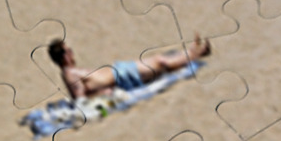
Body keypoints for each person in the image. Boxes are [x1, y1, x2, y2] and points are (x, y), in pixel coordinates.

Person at [48, 35, 212, 100]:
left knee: (159, 62)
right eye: (69, 50)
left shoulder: (70, 72)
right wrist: (103, 93)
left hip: (122, 72)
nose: (72, 52)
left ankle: (192, 52)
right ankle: (198, 53)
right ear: (64, 56)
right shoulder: (69, 73)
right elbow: (80, 98)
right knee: (160, 62)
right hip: (124, 77)